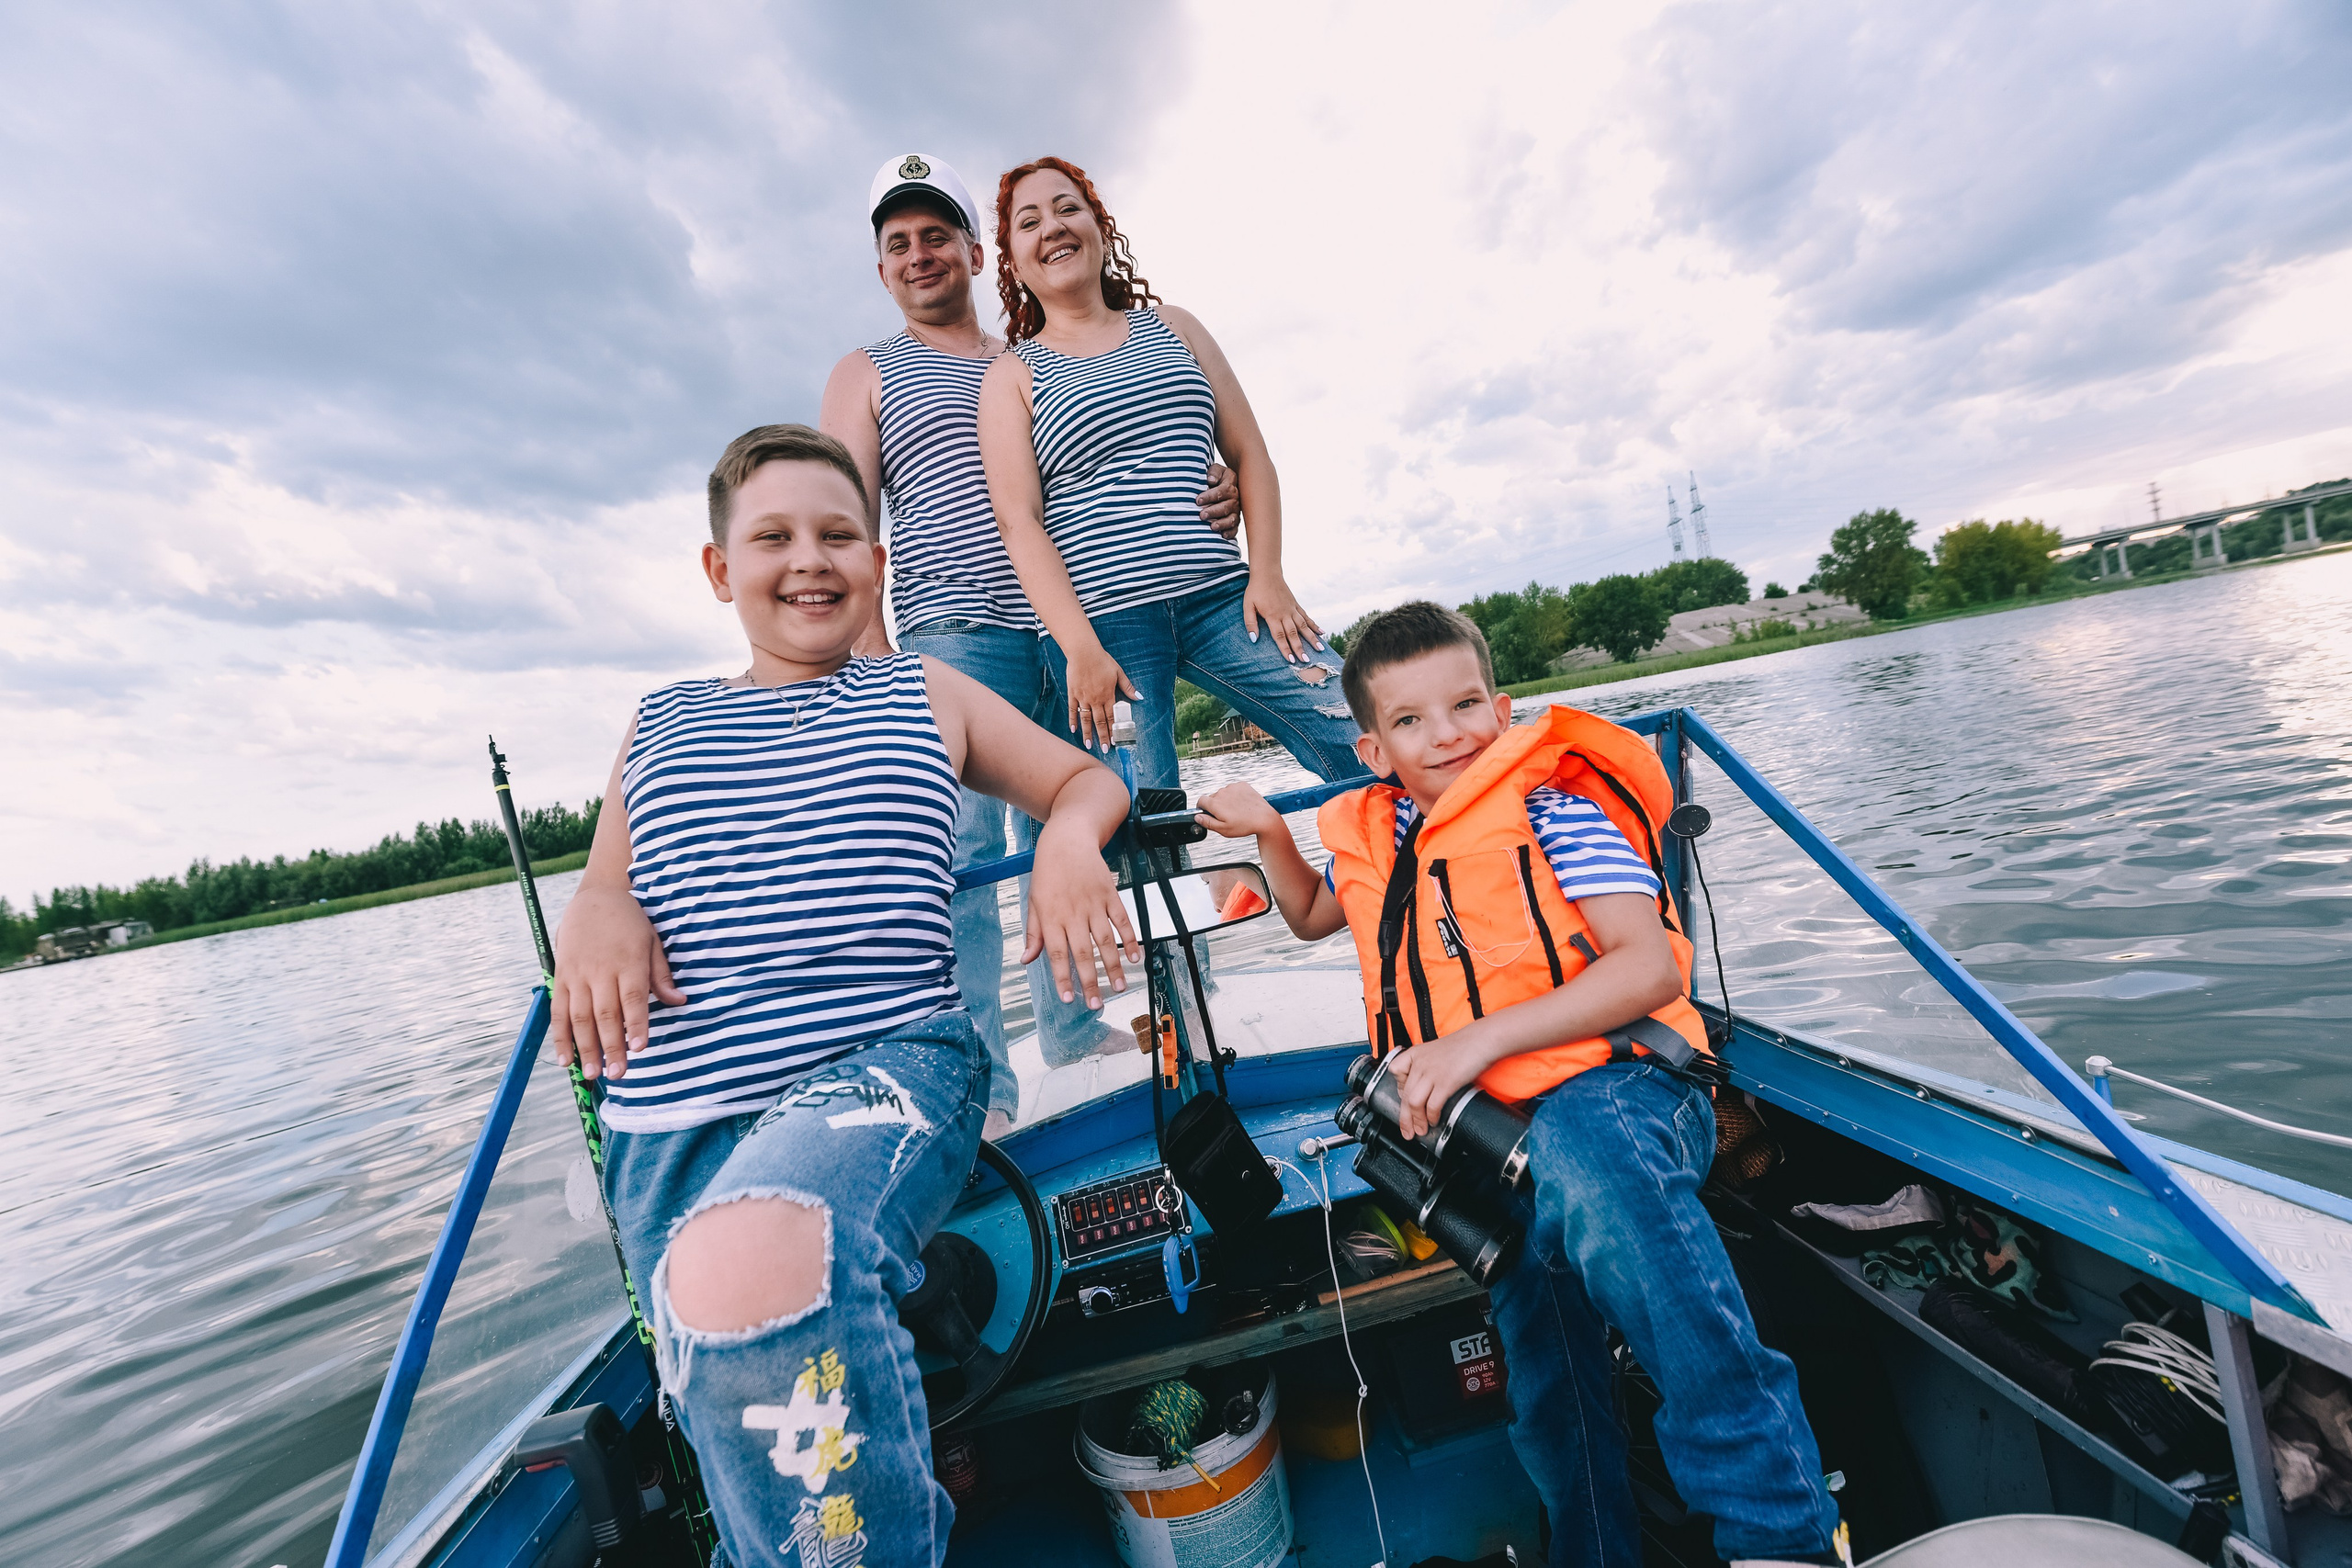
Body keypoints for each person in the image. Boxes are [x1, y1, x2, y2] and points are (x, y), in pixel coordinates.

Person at [548, 424, 1142, 1568]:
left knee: (750, 1274)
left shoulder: (929, 689)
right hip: (668, 1120)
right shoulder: (659, 717)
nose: (809, 559)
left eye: (838, 535)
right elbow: (607, 877)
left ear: (876, 562)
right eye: (772, 537)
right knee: (742, 1435)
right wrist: (595, 905)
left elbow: (1083, 778)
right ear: (721, 571)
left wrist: (1070, 839)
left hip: (881, 1067)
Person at [1193, 602, 1843, 1568]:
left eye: (1464, 705)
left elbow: (1646, 970)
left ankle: (1776, 1533)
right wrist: (1265, 836)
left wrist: (1466, 1047)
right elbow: (1317, 916)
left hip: (1620, 1091)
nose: (1446, 733)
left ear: (1502, 709)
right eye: (1410, 720)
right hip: (1496, 1131)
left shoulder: (1555, 812)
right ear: (1373, 750)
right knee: (1541, 1362)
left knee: (1589, 1162)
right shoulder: (1384, 836)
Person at [820, 153, 1247, 1117]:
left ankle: (1098, 1023)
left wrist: (1209, 493)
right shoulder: (868, 371)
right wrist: (873, 647)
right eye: (898, 245)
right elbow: (843, 513)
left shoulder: (1031, 352)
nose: (919, 255)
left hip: (1080, 624)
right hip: (954, 631)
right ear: (882, 270)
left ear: (978, 252)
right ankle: (983, 1086)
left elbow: (1120, 458)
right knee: (963, 855)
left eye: (937, 236)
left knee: (1112, 818)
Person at [976, 154, 1363, 796]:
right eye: (1029, 220)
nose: (1053, 226)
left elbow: (1250, 455)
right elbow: (1020, 524)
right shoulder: (1011, 377)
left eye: (1068, 207)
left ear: (1101, 227)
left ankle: (1416, 887)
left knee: (1359, 730)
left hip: (1226, 598)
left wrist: (1267, 572)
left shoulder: (1175, 327)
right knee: (1138, 823)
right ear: (1014, 262)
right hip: (1103, 624)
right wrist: (1078, 648)